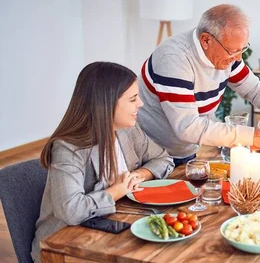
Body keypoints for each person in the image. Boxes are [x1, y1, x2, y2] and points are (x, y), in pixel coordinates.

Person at [31, 62, 174, 262]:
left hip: (112, 227)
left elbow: (163, 158)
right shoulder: (68, 148)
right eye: (133, 99)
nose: (140, 103)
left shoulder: (128, 130)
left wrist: (141, 174)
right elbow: (71, 212)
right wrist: (117, 190)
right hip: (65, 246)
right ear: (106, 104)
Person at [137, 4, 260, 166]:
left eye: (242, 50)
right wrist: (251, 136)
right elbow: (188, 127)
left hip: (188, 152)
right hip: (153, 157)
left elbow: (253, 89)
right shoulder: (174, 59)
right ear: (206, 40)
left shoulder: (227, 55)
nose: (237, 59)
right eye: (233, 51)